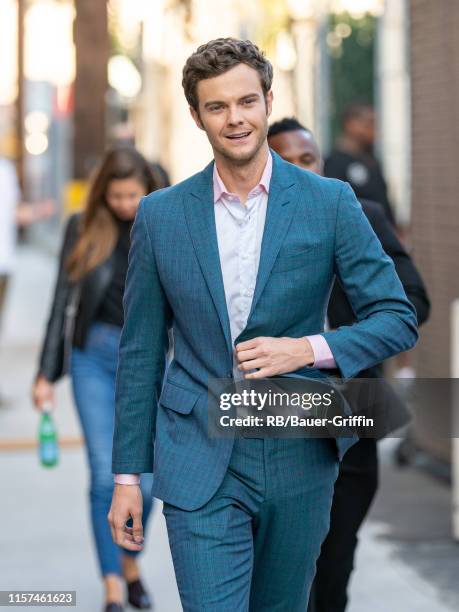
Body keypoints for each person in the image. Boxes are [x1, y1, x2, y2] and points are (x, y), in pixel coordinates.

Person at [108, 38, 418, 612]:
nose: (235, 119)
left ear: (268, 100)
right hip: (198, 450)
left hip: (299, 444)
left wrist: (306, 349)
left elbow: (397, 318)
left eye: (246, 101)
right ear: (197, 114)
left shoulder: (330, 202)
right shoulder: (161, 215)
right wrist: (128, 476)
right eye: (217, 106)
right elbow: (141, 351)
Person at [268, 117, 430, 612]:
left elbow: (413, 301)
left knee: (333, 565)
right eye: (286, 163)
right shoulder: (249, 230)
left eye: (308, 159)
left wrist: (339, 343)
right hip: (275, 416)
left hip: (352, 408)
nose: (302, 170)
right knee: (280, 570)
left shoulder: (363, 215)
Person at [32, 146, 159, 612]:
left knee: (144, 483)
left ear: (148, 189)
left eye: (133, 194)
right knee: (105, 476)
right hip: (95, 358)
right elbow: (61, 301)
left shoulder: (163, 221)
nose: (125, 204)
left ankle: (130, 564)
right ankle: (112, 583)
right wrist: (46, 372)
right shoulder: (82, 228)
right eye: (116, 195)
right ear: (103, 192)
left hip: (149, 362)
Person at [324, 103, 396, 225]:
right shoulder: (333, 163)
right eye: (369, 123)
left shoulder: (372, 161)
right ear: (350, 125)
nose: (374, 130)